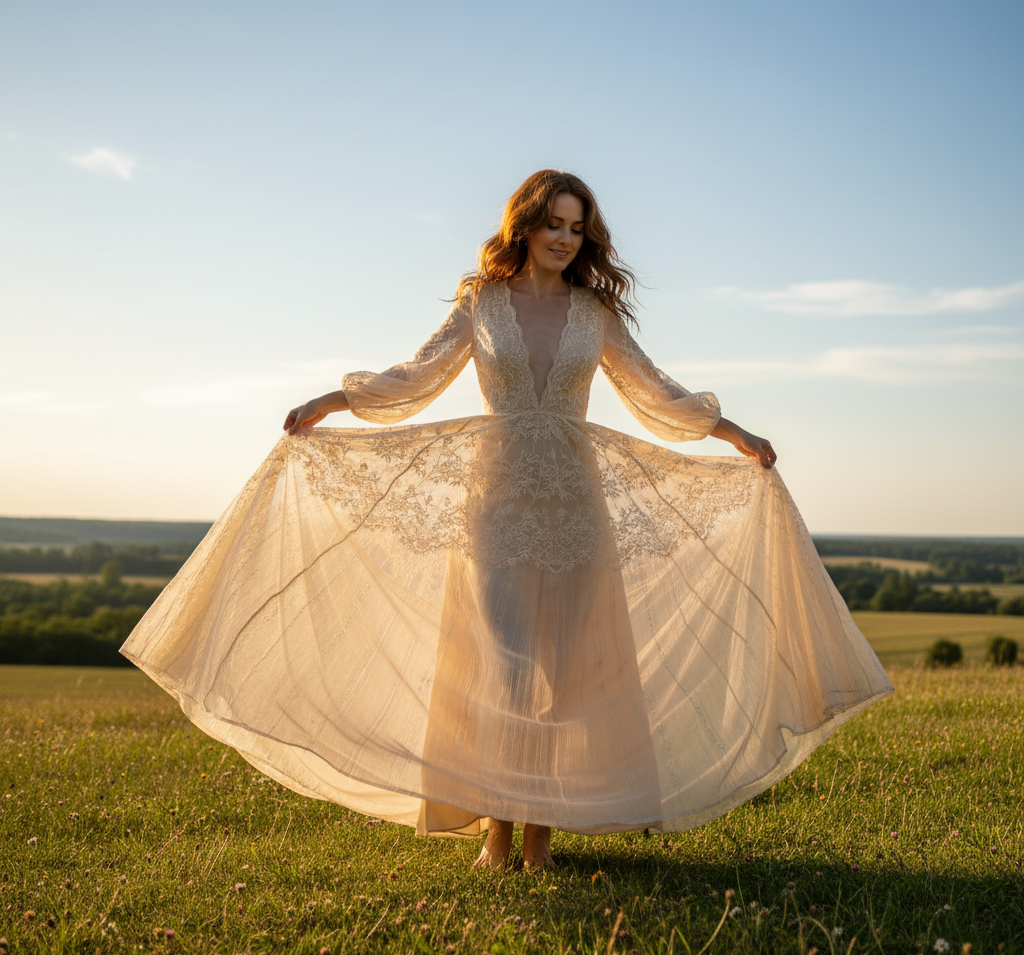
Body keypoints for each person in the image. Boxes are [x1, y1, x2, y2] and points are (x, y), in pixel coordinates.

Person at [122, 170, 892, 872]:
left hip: (577, 510)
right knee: (504, 667)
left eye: (577, 228)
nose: (564, 237)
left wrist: (735, 436)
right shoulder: (481, 303)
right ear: (524, 224)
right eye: (553, 222)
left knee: (565, 674)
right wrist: (336, 401)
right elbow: (415, 376)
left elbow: (657, 392)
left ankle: (539, 843)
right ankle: (493, 840)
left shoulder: (596, 312)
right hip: (495, 507)